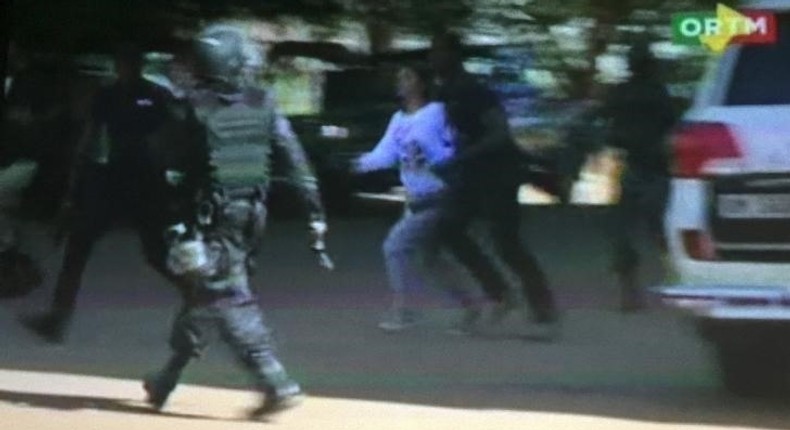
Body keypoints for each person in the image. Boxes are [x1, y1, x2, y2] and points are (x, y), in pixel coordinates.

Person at [141, 24, 330, 419]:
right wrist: (314, 215)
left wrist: (173, 215)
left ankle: (274, 380)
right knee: (203, 294)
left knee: (226, 296)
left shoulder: (195, 108)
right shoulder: (264, 102)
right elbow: (295, 160)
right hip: (252, 218)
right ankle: (165, 382)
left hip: (214, 221)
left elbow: (164, 161)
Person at [20, 42, 173, 343]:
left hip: (144, 180)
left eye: (129, 62)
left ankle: (202, 296)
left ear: (137, 65)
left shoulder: (154, 96)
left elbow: (166, 140)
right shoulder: (108, 95)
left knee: (156, 253)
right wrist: (77, 181)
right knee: (77, 247)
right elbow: (91, 136)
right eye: (122, 63)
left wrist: (170, 182)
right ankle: (57, 318)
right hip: (113, 178)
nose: (124, 68)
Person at [428, 31, 559, 338]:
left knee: (507, 243)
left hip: (498, 173)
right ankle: (499, 294)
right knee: (448, 230)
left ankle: (543, 308)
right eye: (432, 52)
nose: (433, 58)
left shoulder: (475, 90)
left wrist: (462, 156)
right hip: (470, 176)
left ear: (455, 55)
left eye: (439, 51)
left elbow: (499, 133)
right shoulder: (443, 92)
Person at [351, 66, 481, 333]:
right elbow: (385, 154)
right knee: (430, 258)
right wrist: (358, 163)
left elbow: (451, 147)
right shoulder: (398, 119)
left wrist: (435, 156)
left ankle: (406, 311)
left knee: (395, 247)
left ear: (422, 84)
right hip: (415, 199)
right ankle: (470, 306)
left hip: (438, 195)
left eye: (408, 77)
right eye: (399, 77)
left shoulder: (436, 112)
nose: (401, 82)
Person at [599, 40, 675, 312]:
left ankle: (632, 294)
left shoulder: (625, 93)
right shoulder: (655, 93)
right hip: (648, 168)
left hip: (643, 167)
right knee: (657, 234)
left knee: (630, 234)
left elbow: (606, 124)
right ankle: (642, 291)